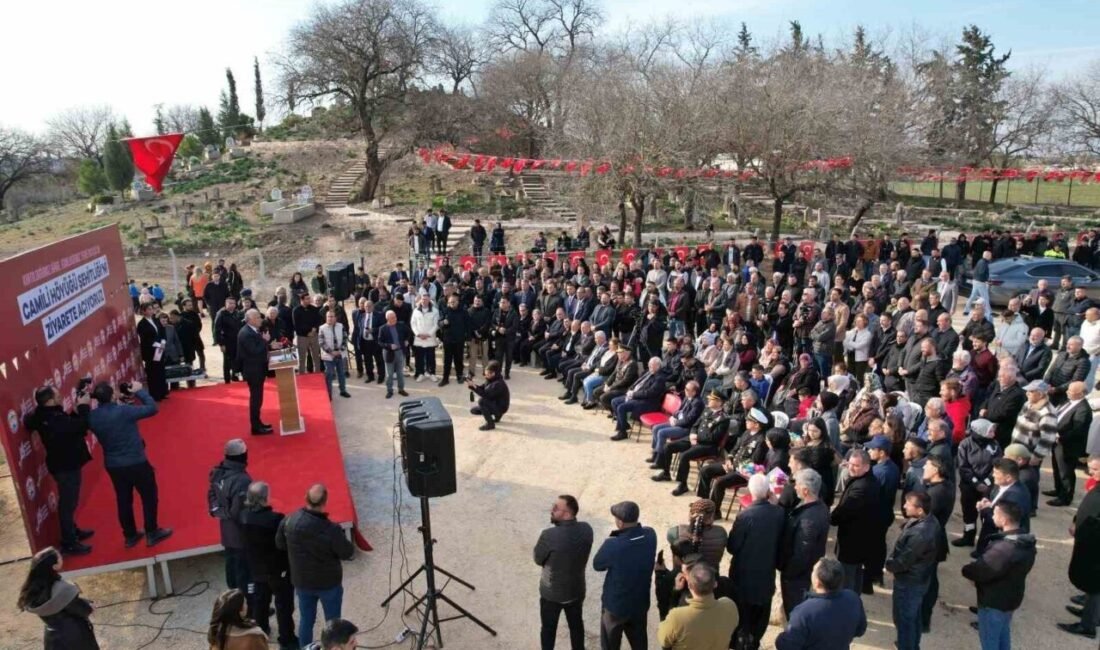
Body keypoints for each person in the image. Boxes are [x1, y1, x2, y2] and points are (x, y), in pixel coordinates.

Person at [87, 381, 173, 548]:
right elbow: (152, 408)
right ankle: (152, 532)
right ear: (112, 396)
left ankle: (130, 535)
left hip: (113, 465)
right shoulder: (124, 411)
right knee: (149, 497)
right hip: (136, 462)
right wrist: (139, 391)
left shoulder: (92, 416)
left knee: (123, 500)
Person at [275, 484, 355, 649]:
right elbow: (347, 552)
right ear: (325, 502)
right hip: (328, 584)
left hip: (302, 581)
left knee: (306, 619)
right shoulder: (331, 529)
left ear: (306, 498)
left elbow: (280, 544)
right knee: (333, 625)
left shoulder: (289, 520)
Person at [25, 386, 95, 555]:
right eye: (57, 395)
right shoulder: (53, 418)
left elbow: (68, 426)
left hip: (63, 463)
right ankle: (69, 542)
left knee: (70, 501)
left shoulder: (45, 415)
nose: (60, 397)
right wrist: (84, 408)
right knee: (68, 502)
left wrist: (77, 411)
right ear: (49, 401)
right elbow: (79, 426)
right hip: (66, 466)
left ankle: (72, 530)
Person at [961, 500, 1037, 650]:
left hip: (993, 602)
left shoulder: (1003, 549)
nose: (992, 516)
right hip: (1011, 597)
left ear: (1005, 519)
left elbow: (980, 570)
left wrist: (968, 571)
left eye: (995, 513)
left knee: (990, 641)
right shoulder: (1026, 542)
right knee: (1003, 634)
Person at [727, 474, 785, 650]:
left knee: (742, 617)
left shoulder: (745, 516)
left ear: (750, 491)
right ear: (768, 492)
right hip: (766, 575)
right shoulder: (779, 513)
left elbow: (732, 546)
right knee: (760, 617)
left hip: (743, 575)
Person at [592, 500, 657, 650]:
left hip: (616, 607)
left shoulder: (613, 545)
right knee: (639, 643)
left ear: (620, 523)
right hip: (640, 603)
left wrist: (613, 540)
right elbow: (644, 531)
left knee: (610, 644)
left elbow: (597, 565)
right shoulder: (650, 535)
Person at [533, 495, 594, 650]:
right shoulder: (587, 529)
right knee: (576, 626)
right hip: (576, 590)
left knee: (548, 629)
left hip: (551, 594)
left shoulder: (549, 536)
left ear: (567, 514)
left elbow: (538, 559)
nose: (551, 510)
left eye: (556, 508)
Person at [241, 482, 297, 650]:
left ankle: (261, 631)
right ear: (265, 497)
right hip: (277, 569)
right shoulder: (276, 519)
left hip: (256, 567)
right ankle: (286, 638)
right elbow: (284, 543)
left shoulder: (243, 516)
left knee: (260, 602)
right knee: (284, 605)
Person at [886, 491, 942, 650]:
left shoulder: (921, 533)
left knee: (904, 619)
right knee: (913, 617)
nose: (903, 506)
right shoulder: (927, 521)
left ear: (920, 510)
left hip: (909, 581)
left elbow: (905, 560)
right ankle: (912, 644)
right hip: (918, 578)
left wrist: (890, 566)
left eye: (908, 504)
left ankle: (906, 645)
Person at [775, 557, 867, 650]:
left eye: (813, 571)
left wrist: (780, 638)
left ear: (817, 582)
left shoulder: (803, 612)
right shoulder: (853, 598)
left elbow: (786, 646)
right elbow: (860, 630)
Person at [18, 546, 99, 649]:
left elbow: (61, 604)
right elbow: (80, 609)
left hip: (52, 637)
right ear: (54, 566)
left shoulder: (32, 589)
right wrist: (89, 606)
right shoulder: (62, 590)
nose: (62, 558)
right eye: (60, 557)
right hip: (75, 636)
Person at [778, 468, 830, 616]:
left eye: (797, 485)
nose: (794, 487)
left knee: (794, 609)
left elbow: (802, 553)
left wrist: (788, 573)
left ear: (806, 490)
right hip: (802, 572)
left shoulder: (809, 520)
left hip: (797, 577)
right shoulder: (817, 506)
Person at [829, 448, 879, 598]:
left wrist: (832, 517)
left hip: (853, 541)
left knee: (847, 579)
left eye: (856, 465)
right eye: (850, 464)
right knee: (855, 576)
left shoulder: (861, 488)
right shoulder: (867, 480)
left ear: (866, 467)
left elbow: (844, 511)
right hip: (861, 539)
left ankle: (847, 608)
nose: (851, 467)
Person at [1059, 455, 1100, 639]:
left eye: (1096, 469)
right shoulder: (1097, 484)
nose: (1091, 473)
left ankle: (1088, 624)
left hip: (1095, 545)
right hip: (1088, 541)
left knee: (1095, 585)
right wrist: (1077, 521)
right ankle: (1090, 612)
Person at [656, 563, 738, 650]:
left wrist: (675, 593)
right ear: (715, 584)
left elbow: (663, 640)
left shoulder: (677, 617)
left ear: (689, 586)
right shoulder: (729, 606)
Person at [208, 439, 253, 593]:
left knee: (231, 566)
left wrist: (220, 512)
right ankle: (251, 607)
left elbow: (212, 498)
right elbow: (238, 511)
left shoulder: (217, 472)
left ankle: (233, 600)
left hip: (226, 532)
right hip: (241, 534)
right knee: (246, 573)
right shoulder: (242, 480)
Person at [955, 419, 1003, 548]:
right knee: (969, 514)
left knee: (987, 515)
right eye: (990, 431)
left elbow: (997, 466)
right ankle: (968, 537)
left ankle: (985, 542)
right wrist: (976, 483)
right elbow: (963, 467)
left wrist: (986, 482)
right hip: (968, 487)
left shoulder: (995, 445)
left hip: (988, 488)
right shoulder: (965, 444)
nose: (993, 434)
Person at [1048, 381, 1093, 506]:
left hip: (1067, 445)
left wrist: (1060, 437)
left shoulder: (1083, 409)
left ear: (1081, 394)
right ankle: (1058, 490)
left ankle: (1065, 497)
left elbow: (1078, 430)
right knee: (1057, 468)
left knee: (1065, 472)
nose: (1067, 392)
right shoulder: (1068, 401)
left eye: (1071, 391)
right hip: (1058, 442)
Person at [975, 459, 1032, 554]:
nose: (993, 475)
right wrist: (990, 504)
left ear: (1008, 477)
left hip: (1003, 540)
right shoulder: (1003, 484)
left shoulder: (1015, 496)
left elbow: (1004, 520)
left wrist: (986, 509)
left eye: (996, 473)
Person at [238, 309, 273, 434]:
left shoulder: (252, 330)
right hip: (253, 371)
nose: (261, 319)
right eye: (258, 317)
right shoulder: (246, 333)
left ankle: (258, 423)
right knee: (256, 399)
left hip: (258, 369)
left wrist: (269, 345)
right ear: (251, 319)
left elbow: (259, 346)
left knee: (258, 399)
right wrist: (265, 340)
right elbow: (254, 350)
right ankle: (256, 427)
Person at [136, 302, 169, 400]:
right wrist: (158, 345)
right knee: (153, 373)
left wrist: (163, 343)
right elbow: (145, 339)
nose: (151, 311)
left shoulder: (156, 320)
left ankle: (163, 392)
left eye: (152, 309)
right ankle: (155, 394)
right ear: (143, 311)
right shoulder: (142, 324)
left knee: (161, 370)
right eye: (149, 309)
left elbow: (162, 332)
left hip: (160, 350)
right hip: (150, 352)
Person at [378, 310, 412, 399]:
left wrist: (406, 340)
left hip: (400, 352)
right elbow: (380, 342)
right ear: (387, 319)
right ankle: (389, 390)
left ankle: (401, 389)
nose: (395, 319)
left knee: (400, 373)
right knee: (389, 374)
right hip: (389, 354)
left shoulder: (401, 325)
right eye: (392, 318)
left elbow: (409, 333)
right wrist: (389, 346)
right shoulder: (383, 328)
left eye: (395, 317)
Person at [318, 310, 351, 400]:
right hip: (328, 356)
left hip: (340, 355)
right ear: (326, 318)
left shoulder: (341, 326)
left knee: (341, 373)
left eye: (332, 316)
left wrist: (340, 350)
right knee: (329, 375)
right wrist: (331, 352)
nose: (330, 318)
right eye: (328, 316)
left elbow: (345, 338)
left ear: (335, 318)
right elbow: (321, 342)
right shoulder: (322, 328)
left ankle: (343, 391)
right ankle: (329, 394)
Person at [468, 360, 510, 430]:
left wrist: (474, 387)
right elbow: (482, 388)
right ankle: (497, 416)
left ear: (495, 373)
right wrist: (473, 385)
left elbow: (485, 395)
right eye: (486, 372)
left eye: (489, 373)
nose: (486, 374)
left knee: (482, 401)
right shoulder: (491, 379)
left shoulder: (498, 384)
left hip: (501, 407)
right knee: (474, 410)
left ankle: (490, 424)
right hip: (495, 403)